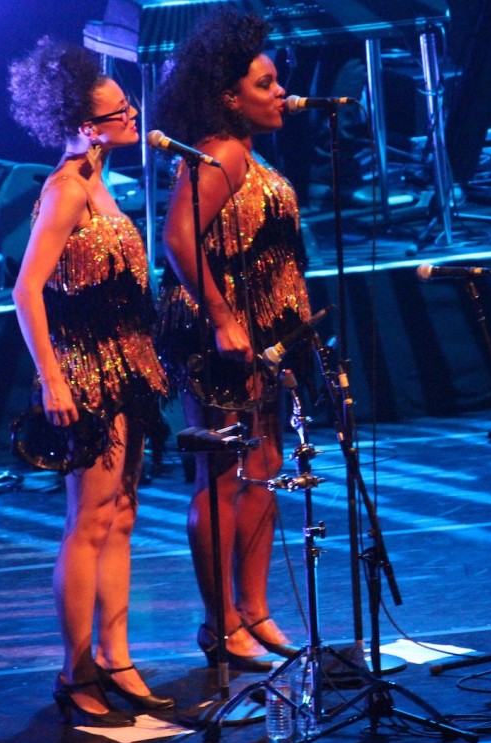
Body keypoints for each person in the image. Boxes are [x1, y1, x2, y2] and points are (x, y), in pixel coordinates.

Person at [8, 39, 172, 727]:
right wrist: (53, 380)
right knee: (89, 522)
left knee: (121, 515)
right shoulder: (67, 189)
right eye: (118, 113)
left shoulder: (101, 180)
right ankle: (75, 672)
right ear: (83, 125)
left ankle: (116, 655)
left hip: (125, 366)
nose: (132, 117)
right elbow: (26, 290)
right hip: (87, 372)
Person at [154, 9, 314, 672]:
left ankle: (255, 610)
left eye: (278, 81)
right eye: (264, 84)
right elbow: (177, 239)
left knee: (264, 462)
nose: (280, 93)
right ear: (228, 96)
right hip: (219, 333)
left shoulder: (246, 151)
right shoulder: (220, 153)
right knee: (223, 471)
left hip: (263, 332)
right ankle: (221, 622)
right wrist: (223, 317)